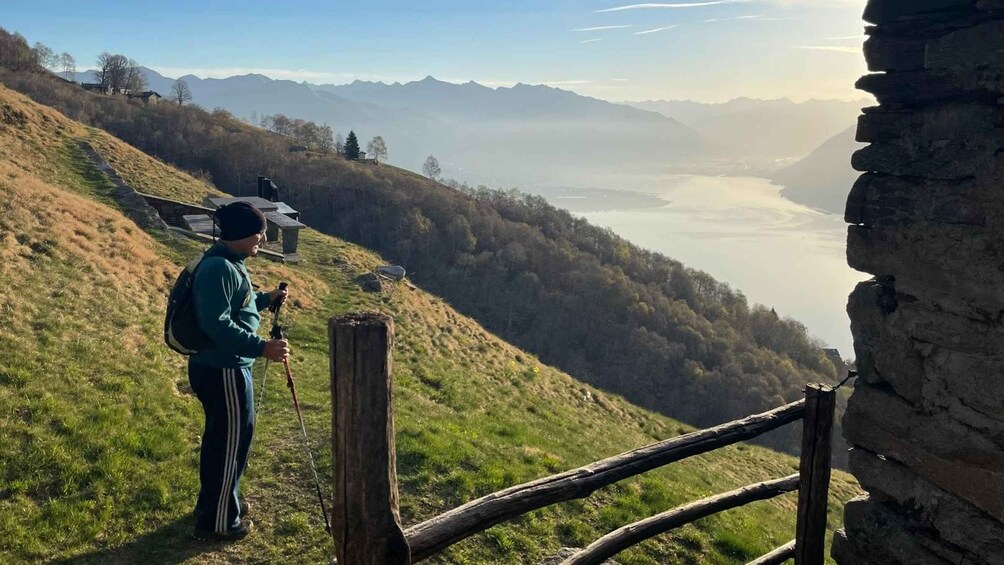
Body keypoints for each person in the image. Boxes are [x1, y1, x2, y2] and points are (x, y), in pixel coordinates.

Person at [189, 201, 289, 541]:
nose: (262, 237)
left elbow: (238, 303)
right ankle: (217, 521)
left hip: (229, 368)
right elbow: (216, 324)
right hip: (222, 369)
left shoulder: (232, 262)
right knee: (228, 443)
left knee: (233, 439)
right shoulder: (219, 268)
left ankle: (222, 502)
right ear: (240, 234)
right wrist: (262, 348)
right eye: (258, 232)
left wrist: (266, 298)